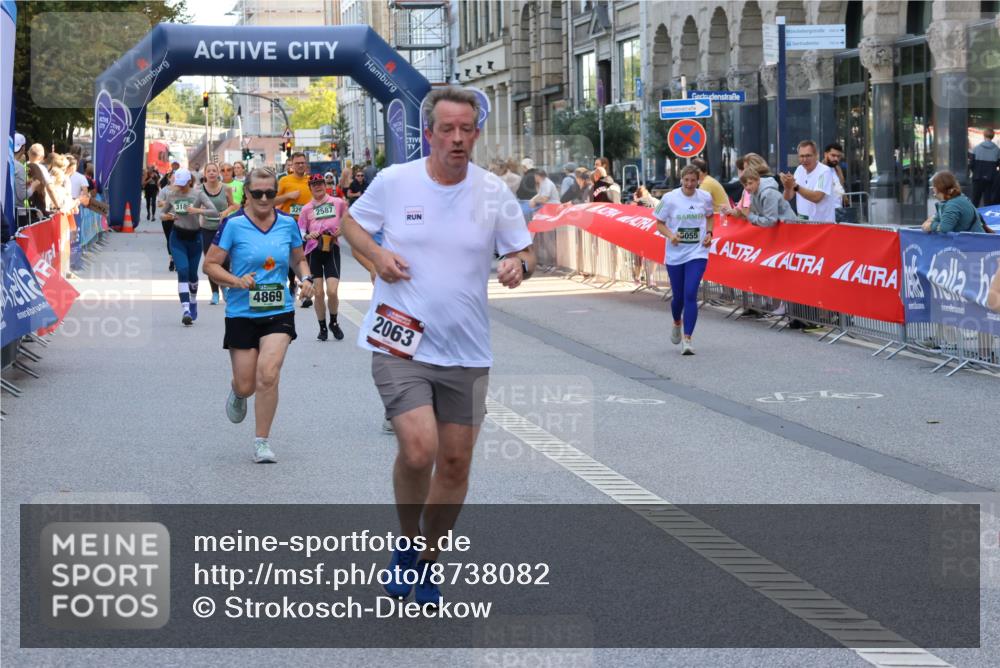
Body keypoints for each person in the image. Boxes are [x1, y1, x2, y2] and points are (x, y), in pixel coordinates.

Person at [341, 86, 535, 606]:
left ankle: (428, 560)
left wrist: (518, 264)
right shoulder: (395, 181)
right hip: (399, 341)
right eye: (446, 129)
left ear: (476, 133)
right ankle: (406, 543)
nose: (456, 138)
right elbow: (350, 224)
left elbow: (525, 250)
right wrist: (377, 255)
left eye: (465, 129)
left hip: (467, 350)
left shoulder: (492, 192)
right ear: (429, 134)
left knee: (454, 465)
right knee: (419, 448)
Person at [204, 167, 314, 464]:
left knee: (268, 374)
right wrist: (235, 280)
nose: (264, 199)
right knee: (246, 384)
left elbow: (298, 259)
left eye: (270, 193)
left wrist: (306, 278)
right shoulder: (233, 225)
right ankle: (238, 393)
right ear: (247, 194)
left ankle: (262, 441)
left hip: (279, 310)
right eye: (258, 193)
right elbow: (210, 265)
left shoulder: (288, 223)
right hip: (241, 312)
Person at [653, 164, 714, 355]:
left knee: (690, 293)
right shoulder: (669, 198)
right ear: (681, 180)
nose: (689, 184)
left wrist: (709, 233)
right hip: (675, 254)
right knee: (678, 298)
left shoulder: (705, 197)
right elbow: (659, 223)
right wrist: (671, 235)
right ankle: (676, 321)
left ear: (698, 181)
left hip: (697, 252)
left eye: (693, 180)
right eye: (686, 180)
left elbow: (710, 216)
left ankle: (687, 339)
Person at [160, 169, 217, 325]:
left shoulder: (198, 194)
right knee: (182, 270)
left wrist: (197, 210)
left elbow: (213, 211)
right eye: (178, 183)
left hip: (195, 238)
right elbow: (162, 214)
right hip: (177, 237)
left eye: (183, 184)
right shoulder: (172, 195)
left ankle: (192, 300)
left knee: (192, 274)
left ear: (189, 181)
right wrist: (169, 216)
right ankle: (185, 309)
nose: (180, 187)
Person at [298, 173, 348, 341]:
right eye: (314, 184)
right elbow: (300, 230)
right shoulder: (306, 208)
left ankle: (333, 322)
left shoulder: (338, 203)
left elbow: (349, 221)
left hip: (332, 249)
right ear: (310, 188)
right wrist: (307, 235)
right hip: (314, 251)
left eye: (320, 183)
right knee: (318, 293)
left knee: (332, 291)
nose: (318, 186)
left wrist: (343, 229)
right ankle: (322, 327)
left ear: (325, 185)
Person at [275, 152, 313, 306]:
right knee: (291, 257)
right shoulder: (284, 181)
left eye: (303, 163)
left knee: (305, 258)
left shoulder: (311, 180)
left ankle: (305, 293)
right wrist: (288, 196)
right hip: (288, 224)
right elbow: (272, 200)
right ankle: (292, 284)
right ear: (292, 165)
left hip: (307, 225)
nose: (300, 165)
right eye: (297, 163)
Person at [199, 162, 239, 305]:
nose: (211, 173)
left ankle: (224, 286)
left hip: (223, 228)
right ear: (205, 174)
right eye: (208, 171)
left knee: (226, 260)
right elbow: (194, 206)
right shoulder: (200, 190)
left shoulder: (226, 188)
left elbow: (234, 205)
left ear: (218, 173)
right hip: (206, 228)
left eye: (214, 171)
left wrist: (226, 212)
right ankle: (215, 292)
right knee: (210, 261)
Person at [781, 140, 838, 222]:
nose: (804, 159)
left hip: (822, 225)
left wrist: (795, 186)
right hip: (803, 223)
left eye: (808, 156)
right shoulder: (799, 169)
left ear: (816, 155)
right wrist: (787, 186)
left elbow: (817, 197)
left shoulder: (824, 171)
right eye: (802, 156)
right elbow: (787, 197)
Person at [723, 168, 795, 227]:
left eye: (750, 183)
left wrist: (749, 215)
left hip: (790, 227)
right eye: (745, 185)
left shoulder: (768, 193)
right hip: (782, 227)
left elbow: (770, 221)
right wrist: (737, 213)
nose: (748, 187)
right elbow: (754, 216)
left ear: (758, 180)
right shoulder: (753, 192)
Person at [969, 128, 1000, 207]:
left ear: (984, 135)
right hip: (990, 179)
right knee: (988, 202)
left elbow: (971, 164)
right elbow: (998, 164)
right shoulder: (997, 150)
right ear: (993, 136)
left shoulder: (976, 148)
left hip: (977, 178)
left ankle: (974, 215)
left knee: (975, 201)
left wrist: (975, 171)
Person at [823, 142, 848, 207]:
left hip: (839, 208)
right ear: (825, 154)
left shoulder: (838, 169)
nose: (836, 159)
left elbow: (841, 187)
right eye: (833, 155)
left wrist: (845, 199)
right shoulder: (820, 170)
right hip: (826, 210)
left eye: (838, 156)